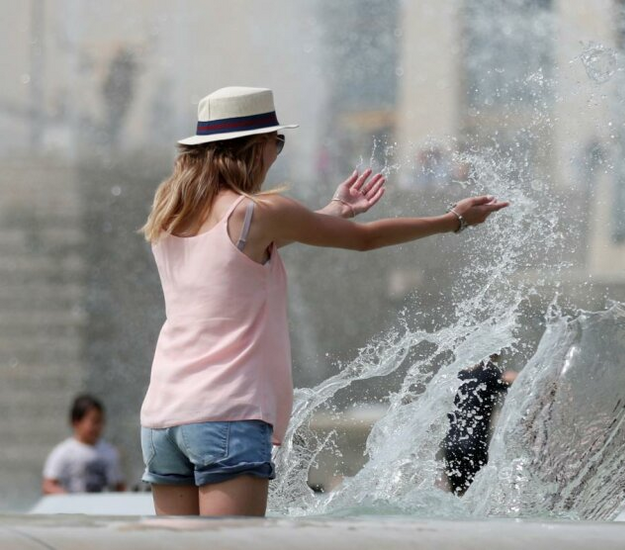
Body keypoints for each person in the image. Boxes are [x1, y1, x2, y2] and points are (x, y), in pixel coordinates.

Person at [138, 86, 508, 517]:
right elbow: (365, 241)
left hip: (162, 418)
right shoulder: (256, 211)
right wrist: (454, 220)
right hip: (226, 413)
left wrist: (336, 208)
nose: (277, 152)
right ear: (255, 147)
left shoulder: (170, 215)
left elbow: (275, 241)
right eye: (277, 142)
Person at [444, 354, 517, 495]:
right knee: (474, 496)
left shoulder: (460, 373)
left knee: (455, 494)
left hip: (451, 443)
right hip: (474, 444)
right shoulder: (489, 371)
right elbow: (517, 378)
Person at [42, 394, 126, 494]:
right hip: (75, 509)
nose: (98, 427)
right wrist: (67, 498)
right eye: (94, 421)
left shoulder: (109, 452)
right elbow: (48, 485)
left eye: (100, 421)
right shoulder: (64, 452)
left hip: (103, 507)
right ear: (76, 422)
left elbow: (119, 485)